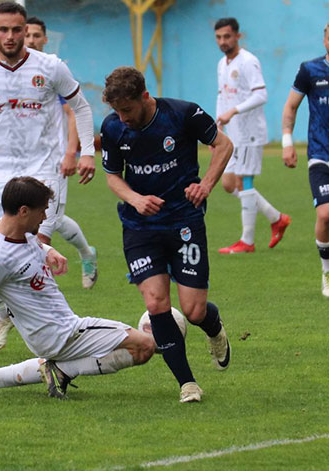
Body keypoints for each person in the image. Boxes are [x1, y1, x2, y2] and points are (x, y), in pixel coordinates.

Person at [0, 177, 155, 399]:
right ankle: (63, 370)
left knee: (138, 346)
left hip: (53, 332)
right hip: (62, 333)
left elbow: (31, 243)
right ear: (23, 211)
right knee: (144, 346)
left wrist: (48, 250)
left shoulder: (8, 228)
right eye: (42, 211)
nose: (44, 217)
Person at [0, 2, 96, 354]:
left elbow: (81, 106)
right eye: (4, 30)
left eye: (17, 30)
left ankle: (54, 330)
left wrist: (86, 151)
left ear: (25, 30)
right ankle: (6, 315)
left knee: (34, 249)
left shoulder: (50, 66)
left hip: (42, 168)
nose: (11, 36)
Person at [100, 66, 233, 402]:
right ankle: (187, 384)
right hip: (140, 227)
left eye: (127, 109)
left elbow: (223, 145)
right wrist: (135, 199)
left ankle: (214, 328)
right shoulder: (113, 127)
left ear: (145, 96)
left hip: (184, 220)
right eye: (117, 111)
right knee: (156, 302)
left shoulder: (183, 114)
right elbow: (113, 176)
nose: (123, 118)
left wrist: (206, 185)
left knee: (194, 311)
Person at [24, 16, 98, 289]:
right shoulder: (12, 74)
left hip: (53, 161)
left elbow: (72, 113)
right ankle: (87, 252)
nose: (31, 40)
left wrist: (71, 153)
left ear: (45, 39)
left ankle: (39, 295)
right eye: (27, 35)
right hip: (23, 160)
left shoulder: (53, 71)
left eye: (36, 35)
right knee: (50, 219)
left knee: (43, 231)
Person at [213, 17, 291, 254]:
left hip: (249, 133)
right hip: (232, 134)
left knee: (244, 182)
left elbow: (261, 95)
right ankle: (276, 218)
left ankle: (247, 241)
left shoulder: (249, 61)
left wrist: (234, 111)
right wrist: (217, 127)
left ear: (238, 36)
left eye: (227, 36)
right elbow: (222, 95)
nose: (223, 41)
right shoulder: (222, 64)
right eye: (218, 37)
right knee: (228, 184)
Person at [281, 23, 329, 297]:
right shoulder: (310, 70)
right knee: (325, 214)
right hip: (321, 153)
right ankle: (327, 271)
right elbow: (291, 106)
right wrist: (287, 142)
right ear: (325, 41)